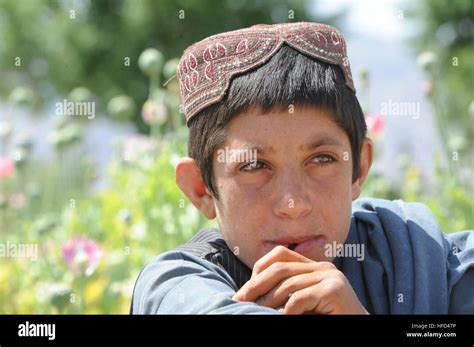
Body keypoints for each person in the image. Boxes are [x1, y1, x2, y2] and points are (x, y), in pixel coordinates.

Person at [131, 22, 473, 314]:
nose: (293, 204)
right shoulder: (178, 286)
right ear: (201, 188)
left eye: (322, 159)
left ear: (359, 168)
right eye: (254, 166)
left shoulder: (415, 253)